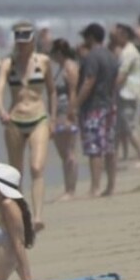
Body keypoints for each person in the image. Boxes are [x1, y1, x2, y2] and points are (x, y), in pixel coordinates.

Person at [0, 21, 54, 230]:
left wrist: (53, 118)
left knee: (37, 167)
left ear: (33, 40)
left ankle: (37, 216)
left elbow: (52, 90)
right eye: (19, 41)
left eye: (26, 41)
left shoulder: (44, 61)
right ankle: (20, 215)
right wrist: (1, 109)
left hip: (39, 117)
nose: (22, 45)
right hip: (15, 119)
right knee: (16, 171)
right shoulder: (7, 64)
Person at [75, 24, 119, 197]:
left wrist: (76, 104)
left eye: (85, 37)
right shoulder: (111, 55)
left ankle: (95, 187)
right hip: (109, 104)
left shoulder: (92, 56)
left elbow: (89, 81)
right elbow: (115, 82)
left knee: (94, 147)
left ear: (91, 37)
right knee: (109, 147)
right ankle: (111, 186)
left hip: (94, 106)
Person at [48, 39, 80, 199]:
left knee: (69, 152)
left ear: (58, 53)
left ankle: (71, 190)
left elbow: (73, 91)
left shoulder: (70, 67)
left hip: (66, 112)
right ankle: (68, 188)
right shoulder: (61, 68)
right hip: (60, 113)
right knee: (63, 152)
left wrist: (70, 113)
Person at [111, 24, 140, 165]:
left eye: (117, 35)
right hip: (126, 92)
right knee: (120, 127)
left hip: (128, 93)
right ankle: (116, 158)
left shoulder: (129, 52)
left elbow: (122, 75)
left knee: (129, 126)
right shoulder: (125, 51)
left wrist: (111, 90)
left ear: (124, 36)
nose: (115, 38)